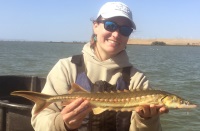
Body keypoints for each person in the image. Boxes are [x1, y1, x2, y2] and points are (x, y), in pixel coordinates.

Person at [31, 2, 168, 131]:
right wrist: (63, 123)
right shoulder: (67, 67)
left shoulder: (137, 79)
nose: (116, 34)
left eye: (125, 30)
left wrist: (147, 119)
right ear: (95, 26)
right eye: (110, 25)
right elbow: (39, 122)